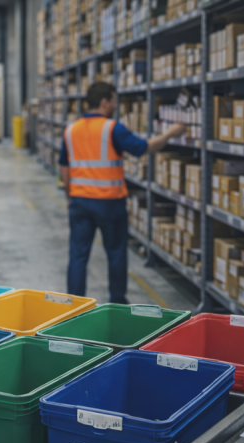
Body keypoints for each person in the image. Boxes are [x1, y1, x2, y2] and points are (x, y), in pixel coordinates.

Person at [59, 81, 185, 304]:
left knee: (78, 256)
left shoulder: (70, 130)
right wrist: (169, 134)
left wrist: (70, 195)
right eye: (114, 101)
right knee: (116, 253)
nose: (115, 106)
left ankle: (73, 306)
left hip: (79, 201)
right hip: (109, 203)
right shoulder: (112, 128)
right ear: (105, 102)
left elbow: (64, 167)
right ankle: (117, 303)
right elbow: (142, 148)